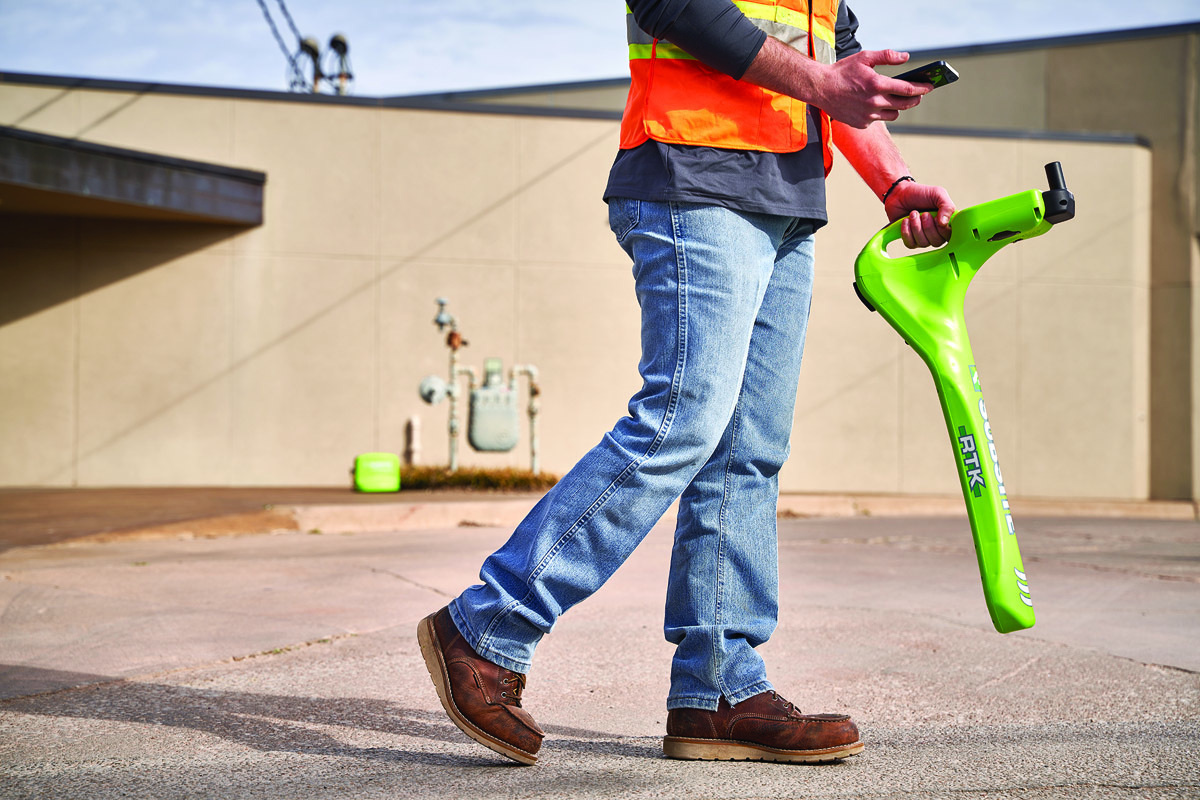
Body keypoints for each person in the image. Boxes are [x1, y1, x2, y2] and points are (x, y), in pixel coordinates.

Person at [418, 0, 955, 766]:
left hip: (789, 204)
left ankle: (719, 690)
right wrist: (824, 84)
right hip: (694, 174)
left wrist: (895, 182)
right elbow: (671, 5)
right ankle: (487, 626)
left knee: (747, 452)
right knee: (681, 421)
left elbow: (837, 79)